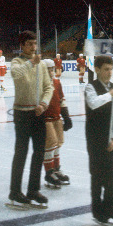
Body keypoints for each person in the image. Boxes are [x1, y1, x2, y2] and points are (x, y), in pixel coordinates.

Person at [8, 30, 53, 209]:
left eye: (35, 44)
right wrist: (30, 63)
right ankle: (15, 190)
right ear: (22, 46)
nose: (33, 47)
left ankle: (33, 189)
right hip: (22, 113)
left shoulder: (41, 65)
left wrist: (43, 104)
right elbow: (16, 75)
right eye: (29, 44)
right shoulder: (17, 62)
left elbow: (48, 87)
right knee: (21, 152)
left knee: (39, 153)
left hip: (38, 113)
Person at [85, 55, 113, 226]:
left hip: (109, 138)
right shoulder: (90, 87)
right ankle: (97, 210)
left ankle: (111, 207)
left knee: (112, 174)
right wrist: (110, 95)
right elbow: (94, 103)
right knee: (97, 173)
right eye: (106, 69)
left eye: (111, 69)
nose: (110, 73)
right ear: (97, 70)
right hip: (95, 137)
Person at [42, 58, 72, 189]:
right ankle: (49, 172)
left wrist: (66, 116)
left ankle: (56, 169)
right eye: (48, 70)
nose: (51, 72)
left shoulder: (57, 83)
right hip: (46, 119)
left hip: (57, 118)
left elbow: (61, 100)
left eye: (52, 70)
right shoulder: (41, 85)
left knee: (59, 142)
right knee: (50, 144)